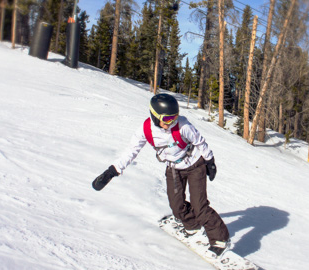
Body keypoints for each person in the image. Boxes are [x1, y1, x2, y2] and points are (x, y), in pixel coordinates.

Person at [92, 92, 230, 258]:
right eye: (167, 119)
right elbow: (131, 151)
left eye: (175, 117)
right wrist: (112, 171)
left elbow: (200, 142)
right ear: (155, 116)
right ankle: (192, 225)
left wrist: (210, 161)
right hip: (173, 168)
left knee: (199, 206)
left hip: (195, 165)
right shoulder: (145, 130)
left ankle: (220, 239)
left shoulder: (183, 125)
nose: (171, 122)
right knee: (176, 206)